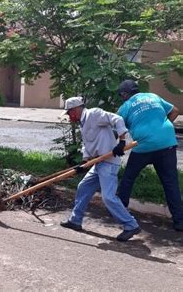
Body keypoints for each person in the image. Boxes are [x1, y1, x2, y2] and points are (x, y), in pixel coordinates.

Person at [60, 96, 141, 242]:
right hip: (99, 163)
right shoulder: (83, 123)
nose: (69, 116)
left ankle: (131, 225)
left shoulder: (94, 114)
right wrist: (84, 163)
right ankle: (75, 220)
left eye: (69, 112)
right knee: (83, 187)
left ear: (76, 109)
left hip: (109, 162)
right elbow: (88, 144)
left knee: (108, 197)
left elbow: (117, 119)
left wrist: (122, 142)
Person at [117, 80, 183, 231]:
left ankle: (119, 212)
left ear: (125, 94)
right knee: (170, 183)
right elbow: (175, 111)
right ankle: (179, 221)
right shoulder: (153, 96)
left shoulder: (125, 106)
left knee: (128, 179)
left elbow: (117, 127)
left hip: (144, 146)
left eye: (121, 95)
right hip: (167, 143)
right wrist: (162, 127)